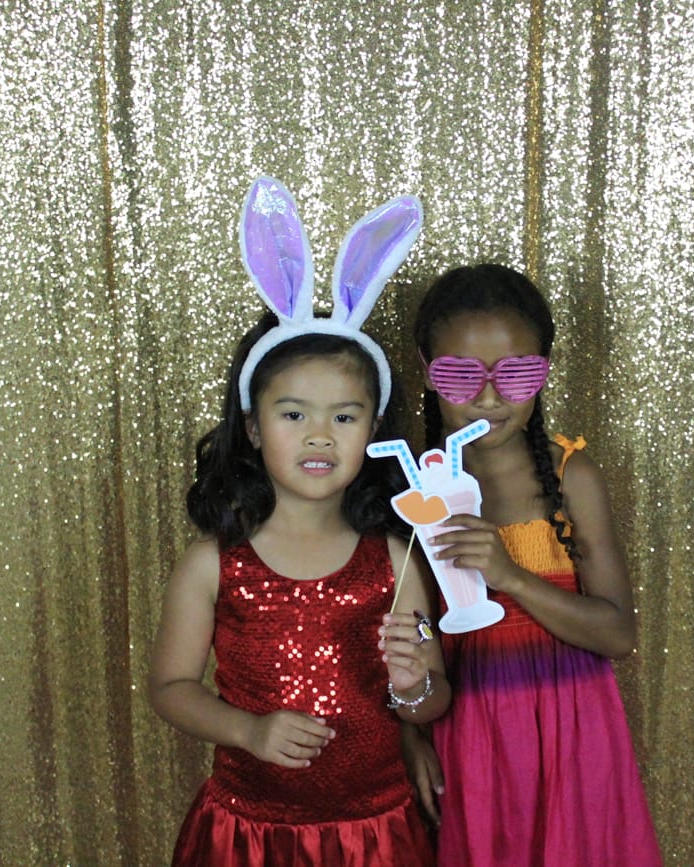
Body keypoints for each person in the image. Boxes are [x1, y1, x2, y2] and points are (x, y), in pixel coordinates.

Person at [149, 178, 447, 866]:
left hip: (377, 836)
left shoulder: (395, 558)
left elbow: (431, 696)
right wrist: (248, 731)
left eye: (343, 415)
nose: (319, 435)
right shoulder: (213, 564)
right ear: (254, 428)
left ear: (373, 429)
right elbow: (169, 688)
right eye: (293, 414)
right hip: (250, 837)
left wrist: (412, 686)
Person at [404, 263, 661, 866]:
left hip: (574, 737)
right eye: (460, 375)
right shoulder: (411, 493)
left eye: (516, 375)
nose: (489, 399)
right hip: (469, 737)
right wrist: (407, 735)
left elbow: (617, 634)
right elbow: (403, 637)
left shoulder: (573, 478)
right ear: (426, 370)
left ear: (544, 370)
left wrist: (512, 576)